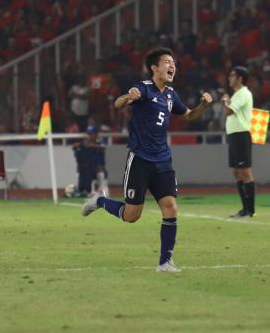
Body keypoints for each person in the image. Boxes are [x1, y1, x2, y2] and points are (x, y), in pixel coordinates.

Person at [81, 47, 213, 272]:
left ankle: (165, 262)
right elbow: (118, 103)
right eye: (167, 62)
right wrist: (128, 97)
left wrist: (203, 105)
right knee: (132, 215)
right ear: (155, 67)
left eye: (174, 63)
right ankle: (100, 201)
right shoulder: (143, 88)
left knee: (171, 207)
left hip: (163, 160)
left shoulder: (171, 95)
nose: (172, 66)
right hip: (140, 159)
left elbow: (189, 115)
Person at [221, 66, 256, 218]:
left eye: (232, 75)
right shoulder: (236, 94)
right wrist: (227, 102)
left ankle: (250, 209)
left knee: (245, 171)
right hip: (234, 135)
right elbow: (226, 112)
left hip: (241, 135)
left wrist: (226, 102)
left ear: (240, 78)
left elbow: (228, 111)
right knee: (236, 172)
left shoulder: (243, 93)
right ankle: (244, 208)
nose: (229, 78)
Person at [71, 126, 108, 197]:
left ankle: (102, 192)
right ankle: (85, 192)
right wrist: (82, 145)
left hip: (97, 168)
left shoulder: (100, 141)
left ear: (96, 134)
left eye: (92, 134)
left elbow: (102, 147)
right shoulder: (83, 142)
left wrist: (90, 145)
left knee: (100, 172)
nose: (90, 136)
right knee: (83, 175)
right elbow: (74, 146)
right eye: (89, 134)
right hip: (86, 169)